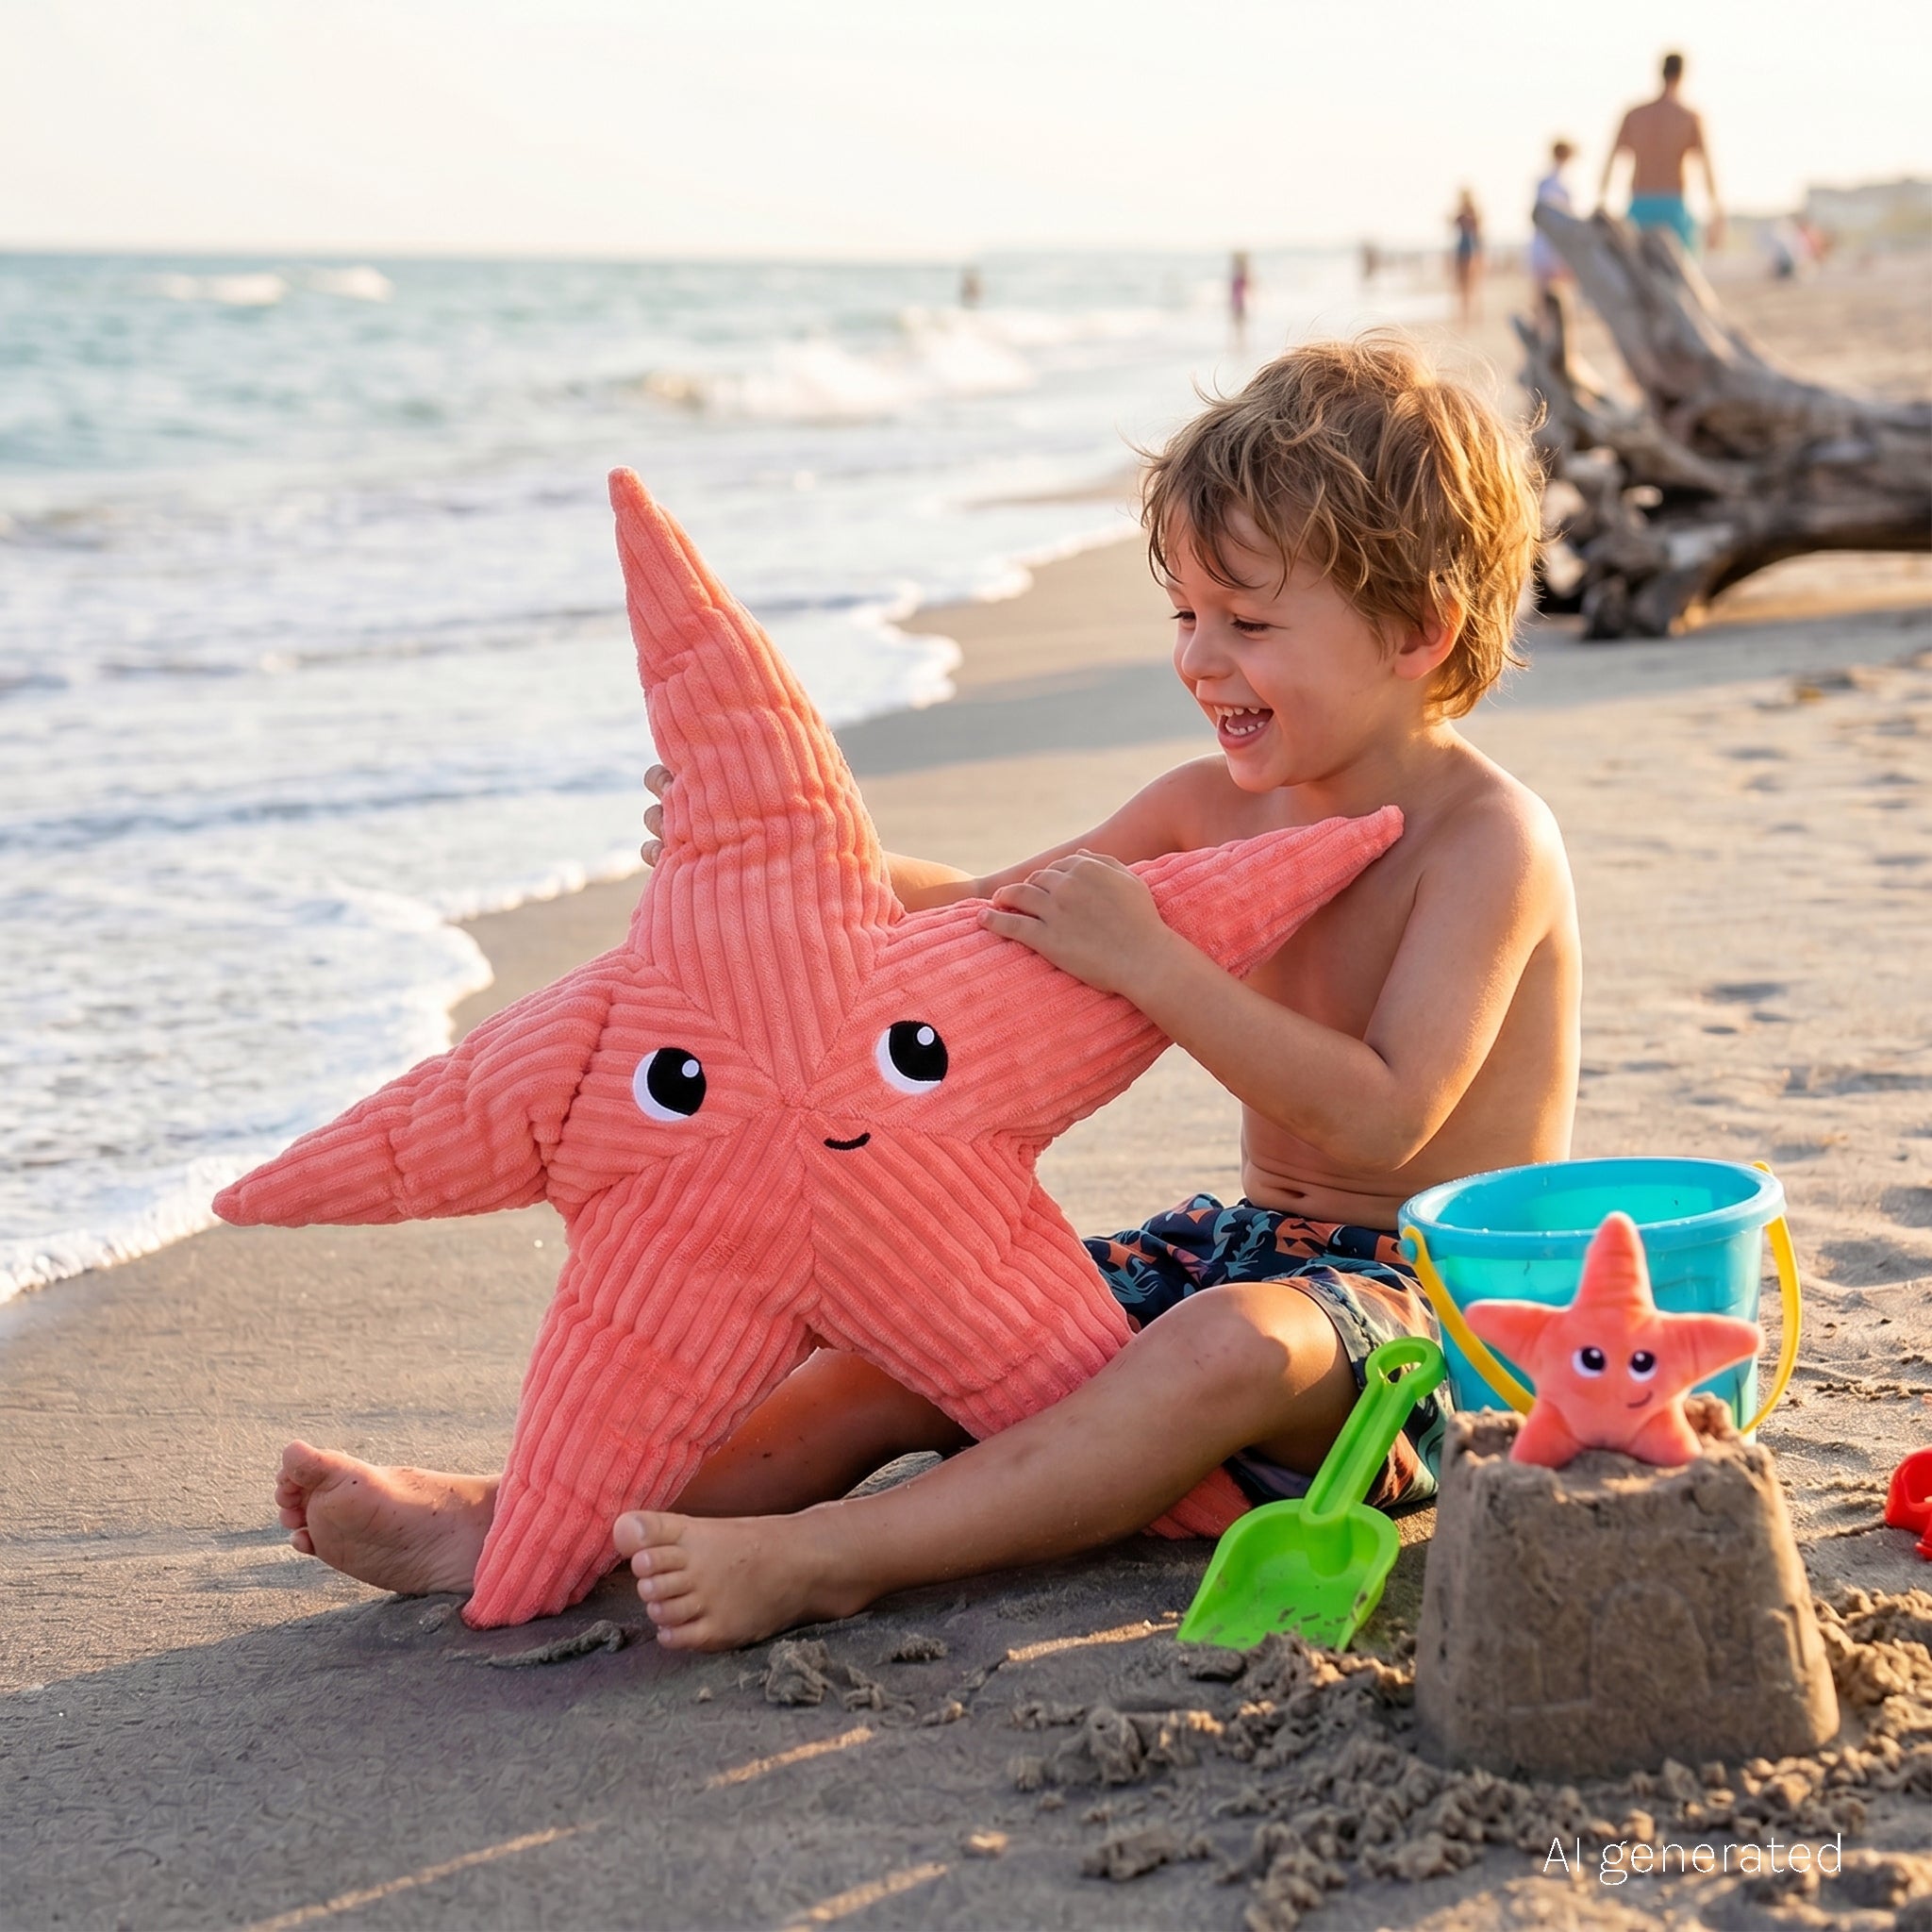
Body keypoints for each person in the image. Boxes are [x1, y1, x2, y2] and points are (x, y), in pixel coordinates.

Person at [274, 337, 1580, 1651]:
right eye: (1185, 616)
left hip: (1432, 1323)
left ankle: (836, 1556)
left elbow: (1387, 1118)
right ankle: (514, 1522)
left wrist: (1152, 964)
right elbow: (982, 918)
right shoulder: (1204, 805)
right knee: (892, 1338)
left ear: (1417, 631)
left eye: (1247, 624)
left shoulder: (1487, 842)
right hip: (1234, 1249)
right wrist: (774, 862)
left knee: (1224, 1347)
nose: (1200, 660)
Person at [1600, 51, 1724, 252]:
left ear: (1661, 73)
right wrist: (1717, 212)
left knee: (1633, 268)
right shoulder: (1688, 117)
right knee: (1682, 268)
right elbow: (1707, 168)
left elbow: (1611, 159)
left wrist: (1602, 200)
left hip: (1639, 204)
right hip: (1673, 205)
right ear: (1682, 75)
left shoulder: (1635, 115)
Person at [1528, 141, 1577, 304]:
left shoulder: (1546, 181)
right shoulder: (1557, 182)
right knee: (1558, 289)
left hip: (1546, 241)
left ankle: (1545, 316)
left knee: (1544, 291)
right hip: (1553, 242)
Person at [1450, 191, 1483, 325]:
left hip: (1469, 251)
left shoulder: (1470, 215)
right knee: (1465, 285)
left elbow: (1477, 234)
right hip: (1465, 250)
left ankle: (1469, 315)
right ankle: (1466, 315)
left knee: (1470, 285)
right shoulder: (1464, 215)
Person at [1229, 250, 1253, 345]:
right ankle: (1240, 343)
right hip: (1238, 303)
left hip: (1240, 304)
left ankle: (1241, 344)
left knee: (1239, 325)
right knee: (1238, 325)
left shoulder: (1240, 276)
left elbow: (1249, 287)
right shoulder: (1238, 276)